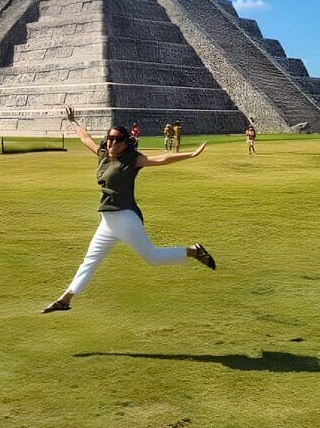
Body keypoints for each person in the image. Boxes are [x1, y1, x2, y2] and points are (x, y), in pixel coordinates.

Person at [42, 107, 216, 313]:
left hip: (125, 218)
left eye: (117, 139)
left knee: (153, 258)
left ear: (125, 142)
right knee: (90, 260)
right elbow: (86, 138)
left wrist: (191, 154)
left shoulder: (132, 160)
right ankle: (65, 299)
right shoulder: (103, 155)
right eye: (109, 138)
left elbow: (161, 159)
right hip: (107, 221)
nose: (112, 142)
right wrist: (73, 121)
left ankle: (193, 251)